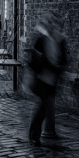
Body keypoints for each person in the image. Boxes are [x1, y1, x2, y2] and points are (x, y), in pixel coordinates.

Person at [27, 11, 68, 146]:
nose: (53, 26)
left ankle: (39, 134)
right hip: (42, 78)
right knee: (44, 105)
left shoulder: (61, 39)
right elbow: (33, 60)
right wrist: (44, 68)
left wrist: (59, 67)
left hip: (54, 79)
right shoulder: (41, 39)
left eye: (54, 23)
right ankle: (35, 135)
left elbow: (64, 59)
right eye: (50, 23)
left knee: (45, 106)